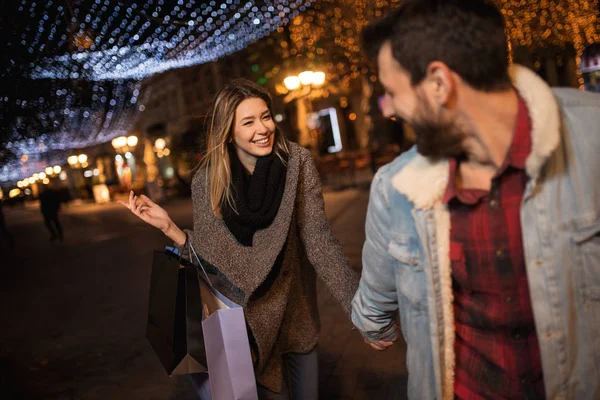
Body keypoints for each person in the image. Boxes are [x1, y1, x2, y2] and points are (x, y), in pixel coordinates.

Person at [351, 1, 600, 399]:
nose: (390, 108)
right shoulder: (395, 187)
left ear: (439, 84)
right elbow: (372, 312)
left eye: (392, 92)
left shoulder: (592, 139)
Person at [120, 79, 359, 399]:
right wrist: (171, 229)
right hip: (245, 324)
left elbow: (318, 241)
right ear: (229, 132)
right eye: (248, 121)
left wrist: (360, 307)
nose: (263, 128)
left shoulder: (296, 162)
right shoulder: (208, 180)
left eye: (266, 116)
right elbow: (213, 257)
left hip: (295, 312)